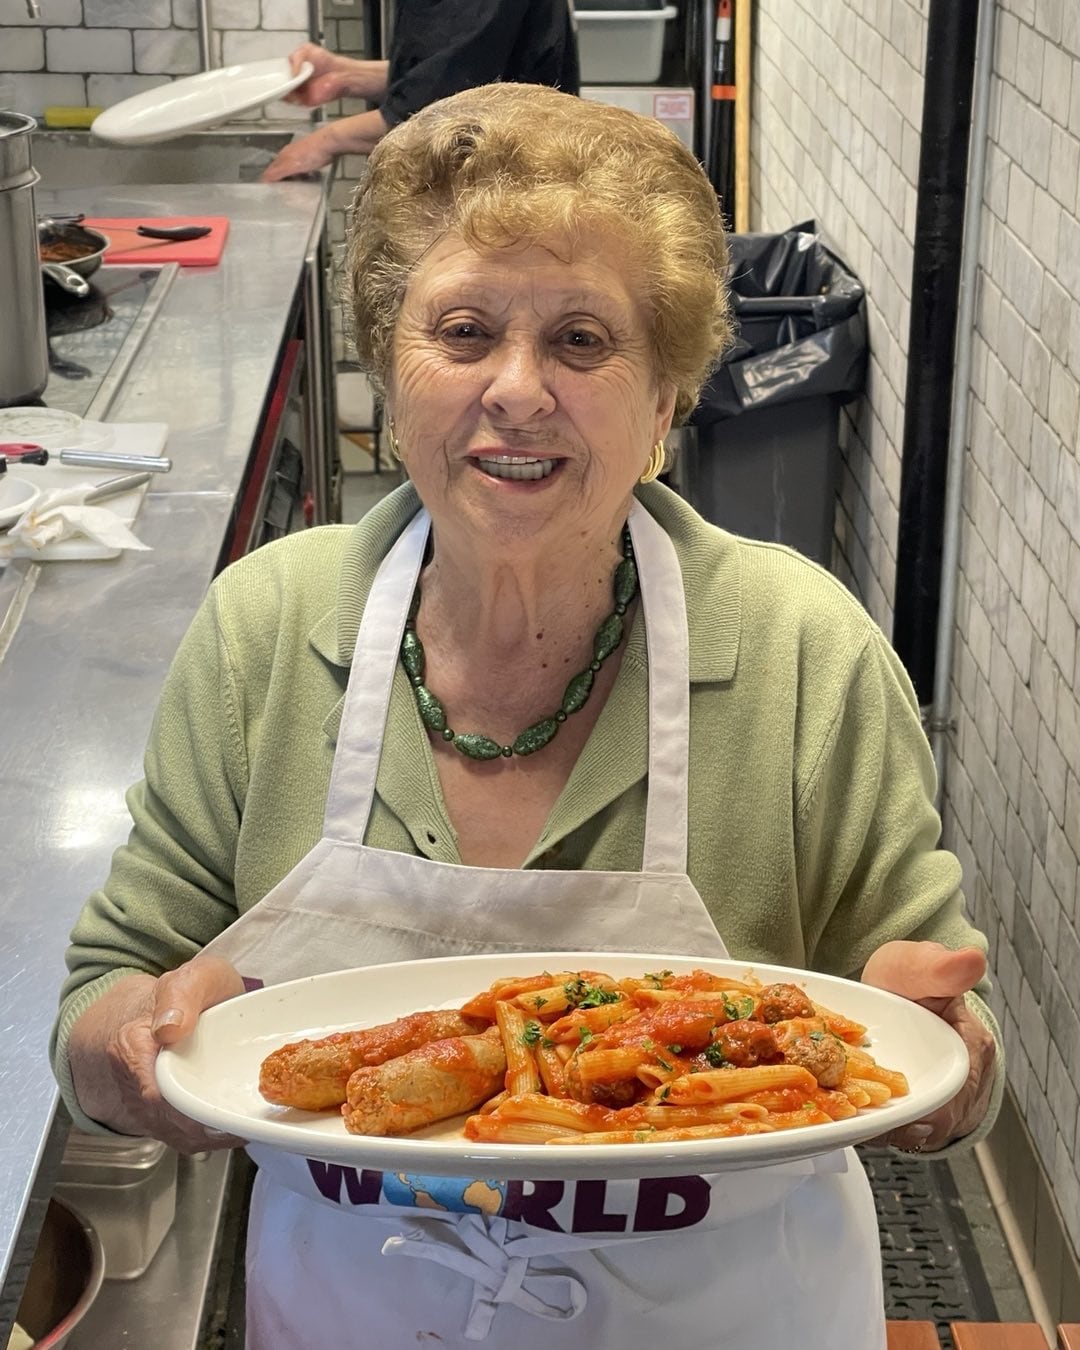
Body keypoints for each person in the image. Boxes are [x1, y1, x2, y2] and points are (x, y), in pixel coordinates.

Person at [53, 84, 1000, 1350]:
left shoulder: (799, 650)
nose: (515, 390)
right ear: (394, 375)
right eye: (462, 330)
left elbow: (944, 1042)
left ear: (665, 405)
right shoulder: (267, 631)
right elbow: (102, 1002)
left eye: (582, 343)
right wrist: (134, 1047)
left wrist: (941, 1053)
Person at [261, 0, 579, 180]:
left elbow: (441, 109)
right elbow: (455, 70)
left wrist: (324, 142)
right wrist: (346, 76)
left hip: (503, 191)